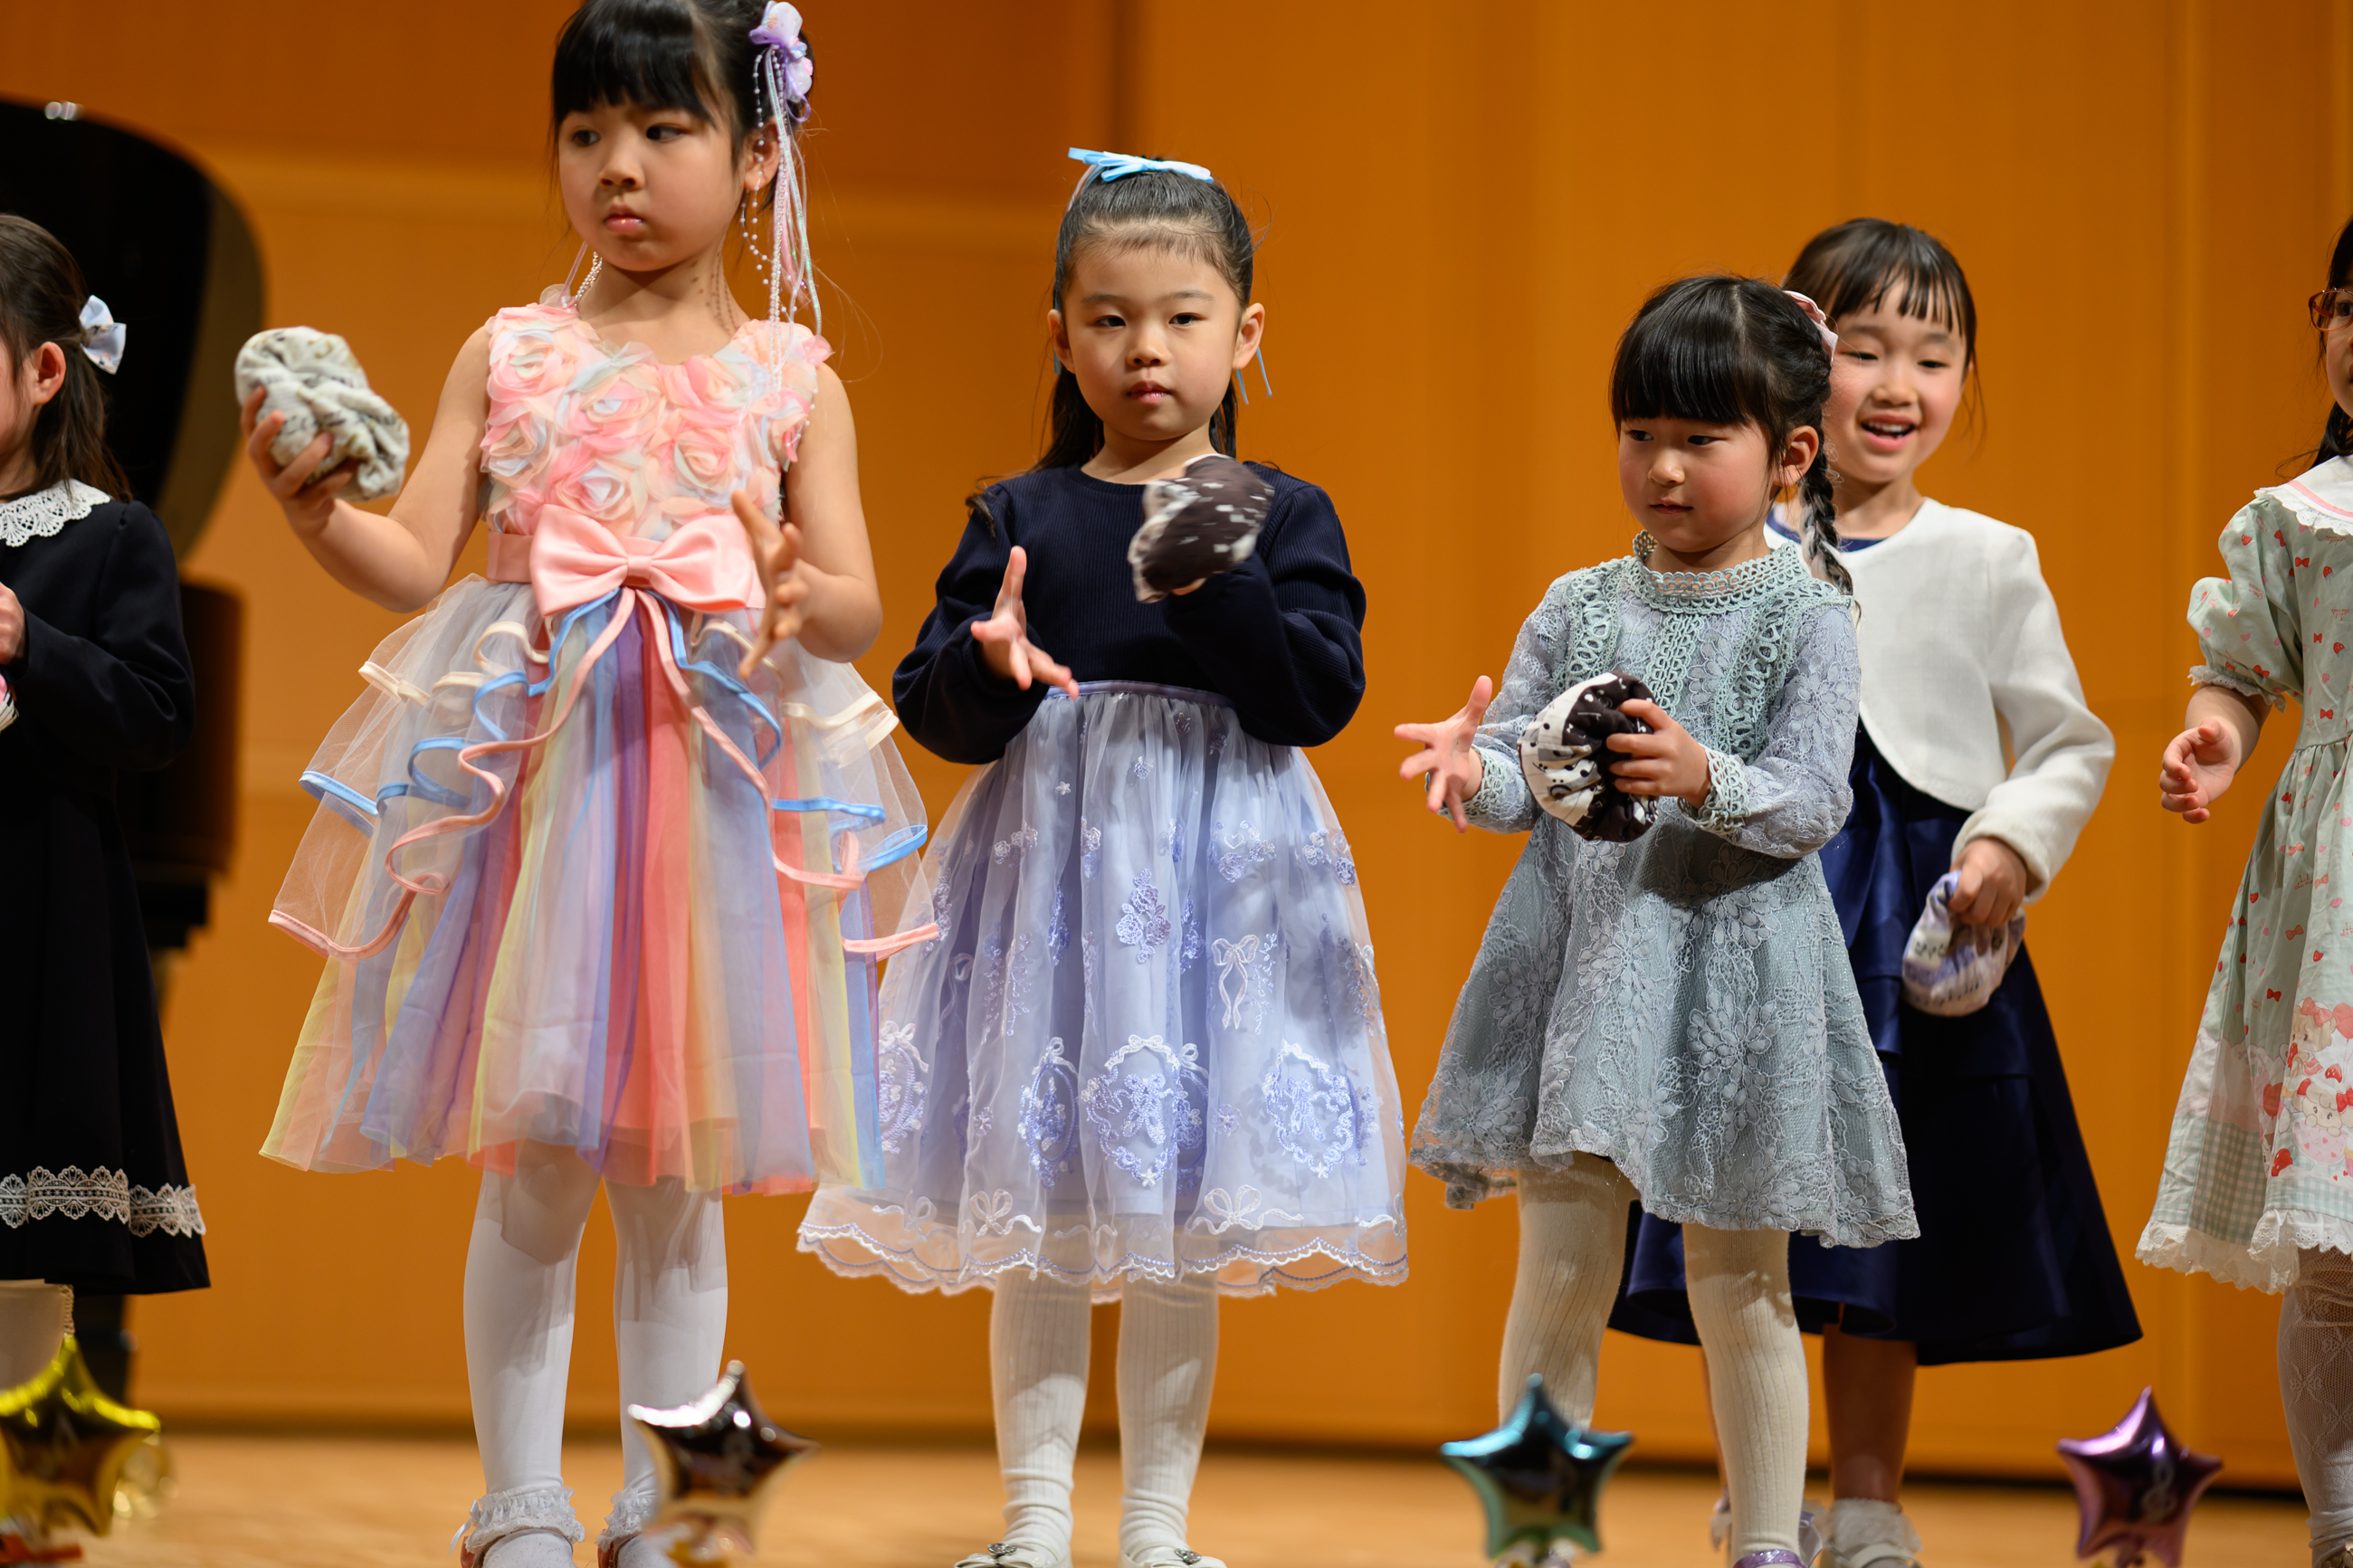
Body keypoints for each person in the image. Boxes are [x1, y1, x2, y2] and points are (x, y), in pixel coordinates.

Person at [243, 5, 927, 1563]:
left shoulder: (789, 378)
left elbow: (857, 602)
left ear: (758, 159)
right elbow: (415, 554)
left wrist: (792, 594)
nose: (618, 167)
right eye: (585, 134)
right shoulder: (515, 350)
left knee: (680, 1181)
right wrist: (312, 516)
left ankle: (669, 1498)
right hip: (544, 813)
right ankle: (519, 1498)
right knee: (538, 1161)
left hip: (711, 804)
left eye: (663, 130)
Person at [798, 148, 1406, 1568]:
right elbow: (935, 702)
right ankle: (1030, 1523)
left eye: (1184, 317)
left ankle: (1152, 1529)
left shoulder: (1284, 510)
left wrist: (1219, 590)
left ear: (1245, 332)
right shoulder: (1020, 510)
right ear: (1060, 333)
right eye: (1112, 317)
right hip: (1053, 890)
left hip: (1215, 896)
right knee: (1047, 1209)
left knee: (1179, 1217)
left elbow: (1314, 695)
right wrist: (991, 661)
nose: (1146, 350)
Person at [1605, 220, 2139, 1568]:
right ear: (1796, 357)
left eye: (1935, 355)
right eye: (1860, 350)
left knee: (1882, 1222)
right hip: (1762, 891)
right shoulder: (1734, 533)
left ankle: (1871, 1497)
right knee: (1750, 1217)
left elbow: (2069, 738)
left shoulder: (1989, 555)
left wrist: (2010, 847)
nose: (1898, 384)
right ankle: (1767, 1499)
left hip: (1913, 909)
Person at [1403, 274, 1915, 1568]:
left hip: (1740, 974)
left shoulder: (1807, 609)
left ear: (1791, 451)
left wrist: (1708, 777)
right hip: (1587, 971)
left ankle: (1762, 1541)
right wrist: (1481, 774)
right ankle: (1538, 1535)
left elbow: (1814, 798)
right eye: (1641, 434)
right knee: (1563, 1264)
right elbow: (1531, 765)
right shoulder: (1580, 600)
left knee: (1743, 1281)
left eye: (1701, 438)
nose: (1664, 467)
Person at [0, 214, 206, 1563]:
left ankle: (32, 1503)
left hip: (36, 930)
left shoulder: (109, 537)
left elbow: (157, 710)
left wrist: (34, 642)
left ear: (43, 375)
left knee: (21, 1230)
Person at [2148, 213, 2353, 1568]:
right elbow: (2246, 666)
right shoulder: (2301, 520)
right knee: (2334, 1251)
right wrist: (2217, 732)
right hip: (2335, 906)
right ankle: (2342, 1526)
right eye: (2347, 301)